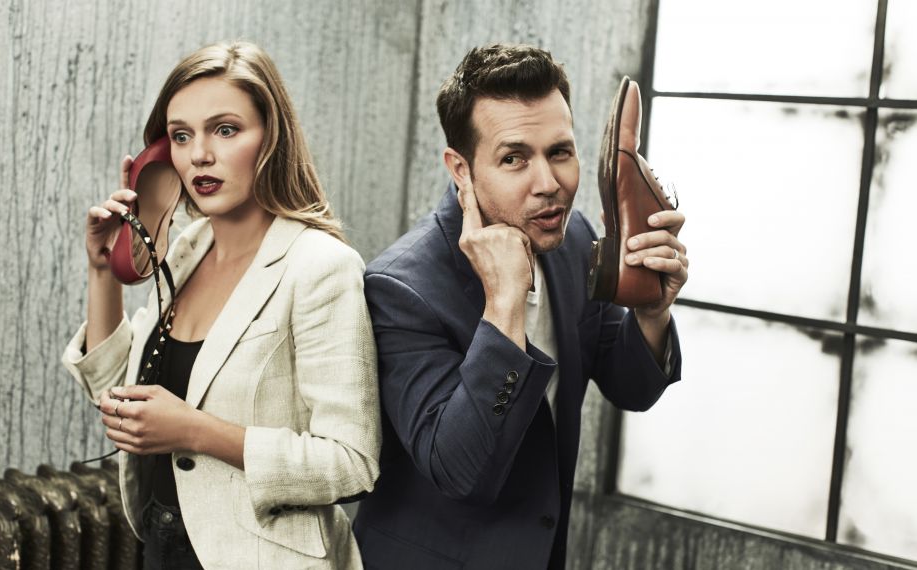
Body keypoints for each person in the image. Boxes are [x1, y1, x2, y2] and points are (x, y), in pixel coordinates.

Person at [352, 44, 688, 569]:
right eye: (514, 158)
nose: (549, 185)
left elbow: (631, 388)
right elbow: (461, 471)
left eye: (559, 152)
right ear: (460, 169)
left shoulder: (572, 238)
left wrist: (652, 311)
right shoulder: (399, 288)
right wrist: (504, 303)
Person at [61, 41, 381, 570]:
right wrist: (103, 271)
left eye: (225, 130)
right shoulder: (187, 249)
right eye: (181, 136)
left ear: (270, 138)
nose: (199, 156)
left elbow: (351, 462)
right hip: (165, 545)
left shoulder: (320, 266)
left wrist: (194, 431)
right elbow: (116, 396)